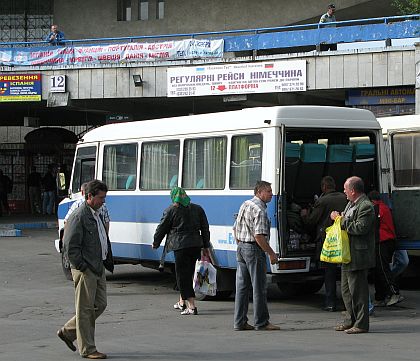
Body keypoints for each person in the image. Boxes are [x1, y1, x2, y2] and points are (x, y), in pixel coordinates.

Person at [57, 180, 114, 359]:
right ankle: (88, 349)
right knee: (85, 309)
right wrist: (81, 266)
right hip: (86, 269)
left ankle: (68, 332)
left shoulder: (95, 213)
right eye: (100, 198)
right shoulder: (79, 215)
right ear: (89, 196)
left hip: (98, 266)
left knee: (100, 305)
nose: (103, 201)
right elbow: (69, 245)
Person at [153, 186, 211, 316]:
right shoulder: (198, 209)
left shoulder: (171, 210)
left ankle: (191, 306)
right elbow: (205, 228)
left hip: (180, 246)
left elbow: (161, 228)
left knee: (183, 276)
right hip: (196, 245)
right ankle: (181, 302)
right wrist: (206, 245)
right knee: (189, 273)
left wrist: (156, 243)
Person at [233, 180, 280, 331]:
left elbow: (235, 228)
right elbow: (259, 236)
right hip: (253, 250)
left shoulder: (245, 204)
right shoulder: (260, 210)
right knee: (259, 287)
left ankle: (239, 322)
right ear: (259, 192)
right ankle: (262, 322)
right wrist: (271, 253)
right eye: (268, 191)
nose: (271, 194)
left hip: (242, 248)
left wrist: (241, 244)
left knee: (242, 287)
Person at [331, 176, 375, 334]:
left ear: (353, 190)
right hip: (347, 254)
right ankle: (350, 320)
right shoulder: (351, 204)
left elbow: (360, 228)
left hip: (358, 255)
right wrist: (341, 218)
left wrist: (340, 220)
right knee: (346, 290)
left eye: (345, 189)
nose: (344, 192)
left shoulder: (366, 206)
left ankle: (362, 324)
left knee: (358, 291)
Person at [301, 176, 347, 312]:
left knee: (329, 273)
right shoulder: (344, 198)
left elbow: (311, 221)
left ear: (324, 187)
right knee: (346, 272)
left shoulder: (322, 201)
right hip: (344, 238)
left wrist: (304, 214)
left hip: (329, 241)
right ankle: (347, 303)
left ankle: (330, 303)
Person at [368, 190, 403, 307]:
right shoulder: (385, 207)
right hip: (388, 241)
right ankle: (380, 296)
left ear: (371, 200)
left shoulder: (376, 209)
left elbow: (372, 226)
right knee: (379, 269)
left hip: (381, 242)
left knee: (382, 269)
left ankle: (394, 293)